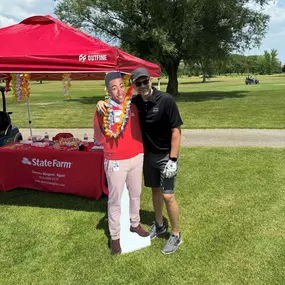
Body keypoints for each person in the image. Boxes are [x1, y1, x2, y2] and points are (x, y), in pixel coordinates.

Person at [96, 68, 183, 255]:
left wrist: (173, 159)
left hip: (165, 156)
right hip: (146, 156)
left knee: (168, 195)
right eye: (138, 83)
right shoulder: (133, 103)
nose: (143, 86)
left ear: (150, 81)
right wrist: (100, 103)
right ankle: (156, 226)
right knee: (154, 192)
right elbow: (109, 118)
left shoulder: (166, 100)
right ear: (133, 86)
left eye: (145, 82)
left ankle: (175, 234)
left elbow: (176, 131)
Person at [94, 72, 149, 256]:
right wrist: (99, 109)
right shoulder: (103, 110)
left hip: (136, 156)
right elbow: (99, 136)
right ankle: (115, 237)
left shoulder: (134, 105)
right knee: (115, 200)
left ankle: (135, 224)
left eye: (121, 86)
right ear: (108, 91)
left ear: (126, 86)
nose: (119, 91)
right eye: (114, 88)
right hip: (115, 159)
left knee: (136, 194)